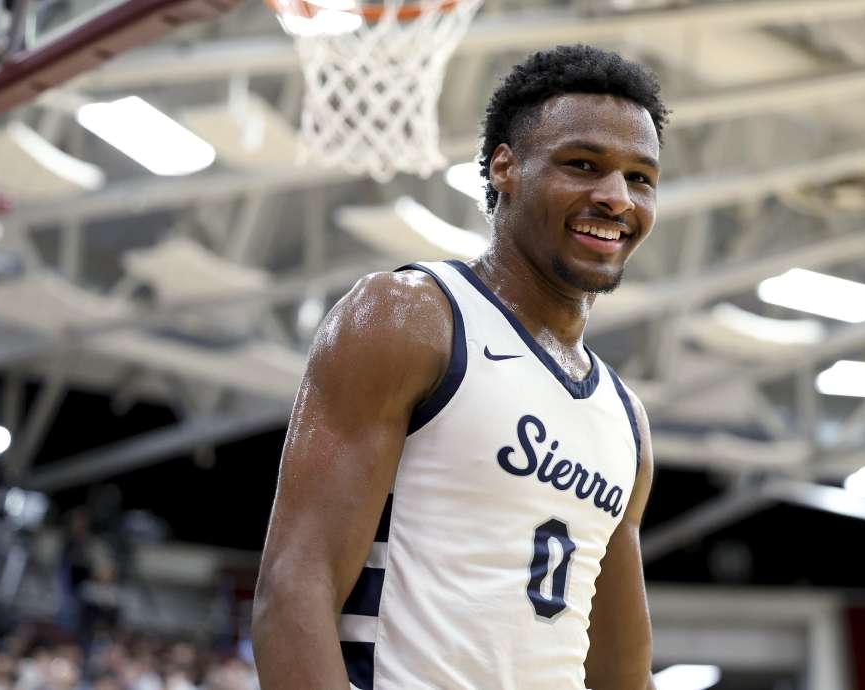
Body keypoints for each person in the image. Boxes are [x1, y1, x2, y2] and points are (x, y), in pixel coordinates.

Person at [253, 44, 667, 690]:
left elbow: (620, 671)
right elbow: (293, 588)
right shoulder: (409, 317)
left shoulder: (625, 420)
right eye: (583, 165)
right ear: (506, 167)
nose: (616, 197)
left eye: (640, 178)